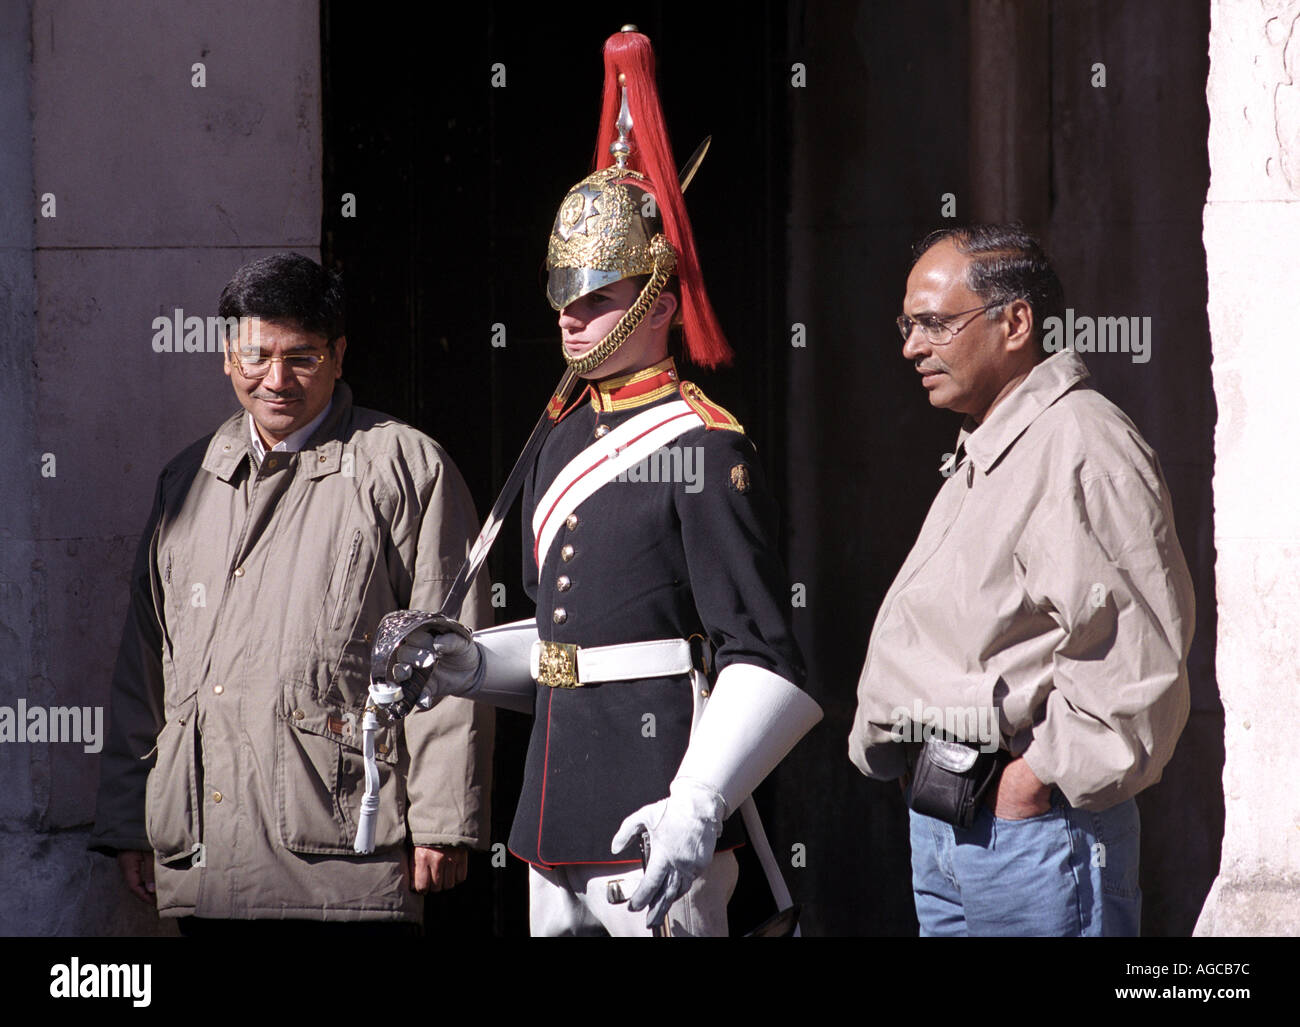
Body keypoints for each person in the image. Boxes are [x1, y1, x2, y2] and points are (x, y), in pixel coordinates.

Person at [372, 27, 821, 937]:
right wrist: (464, 663)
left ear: (658, 301)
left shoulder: (704, 443)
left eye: (597, 296)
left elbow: (765, 659)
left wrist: (698, 803)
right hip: (554, 805)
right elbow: (565, 638)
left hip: (659, 806)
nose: (571, 315)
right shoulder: (562, 430)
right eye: (563, 294)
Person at [89, 253, 494, 932]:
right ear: (225, 355)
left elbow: (448, 655)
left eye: (301, 356)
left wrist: (443, 820)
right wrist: (132, 820)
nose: (275, 380)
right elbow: (145, 667)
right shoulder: (189, 479)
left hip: (344, 853)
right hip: (202, 853)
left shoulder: (404, 466)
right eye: (256, 355)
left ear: (338, 354)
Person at [848, 224, 1195, 937]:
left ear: (1015, 323)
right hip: (952, 814)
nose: (913, 346)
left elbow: (1132, 664)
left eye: (937, 324)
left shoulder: (1081, 442)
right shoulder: (994, 442)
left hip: (1032, 828)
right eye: (908, 324)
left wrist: (1029, 784)